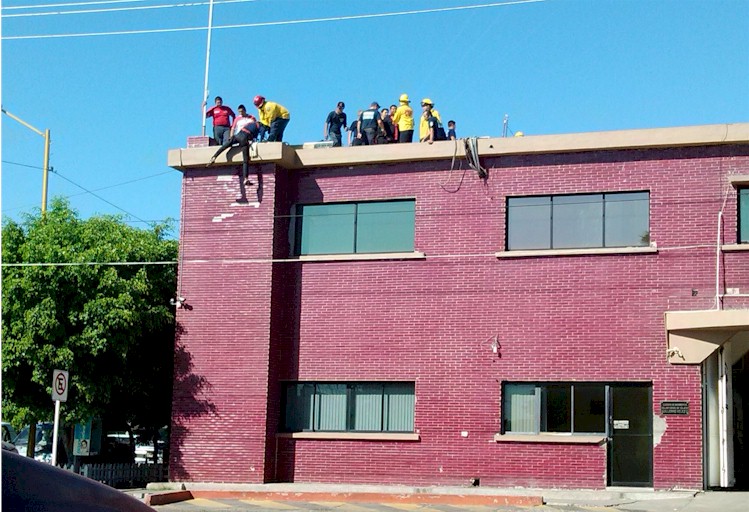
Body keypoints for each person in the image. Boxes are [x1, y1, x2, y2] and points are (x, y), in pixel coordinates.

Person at [206, 115, 261, 186]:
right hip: (244, 139)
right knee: (245, 160)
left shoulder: (249, 124)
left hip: (237, 135)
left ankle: (214, 157)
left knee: (225, 146)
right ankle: (245, 179)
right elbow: (254, 137)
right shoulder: (258, 126)